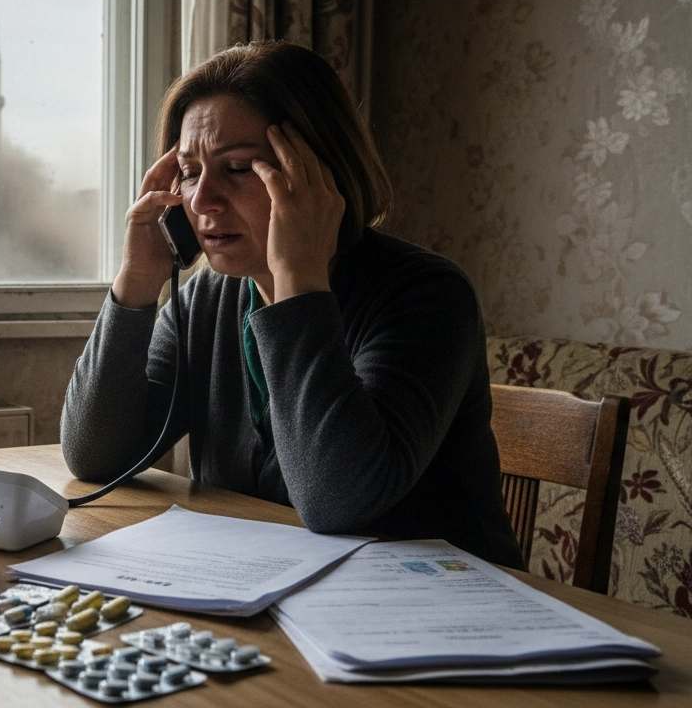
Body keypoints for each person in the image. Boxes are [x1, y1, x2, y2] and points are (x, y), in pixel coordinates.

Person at [60, 41, 524, 568]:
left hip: (443, 612)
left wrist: (298, 279)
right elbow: (95, 456)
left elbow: (337, 503)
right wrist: (137, 281)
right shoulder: (207, 299)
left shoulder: (427, 296)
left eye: (236, 168)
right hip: (276, 592)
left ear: (319, 174)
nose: (202, 199)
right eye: (189, 171)